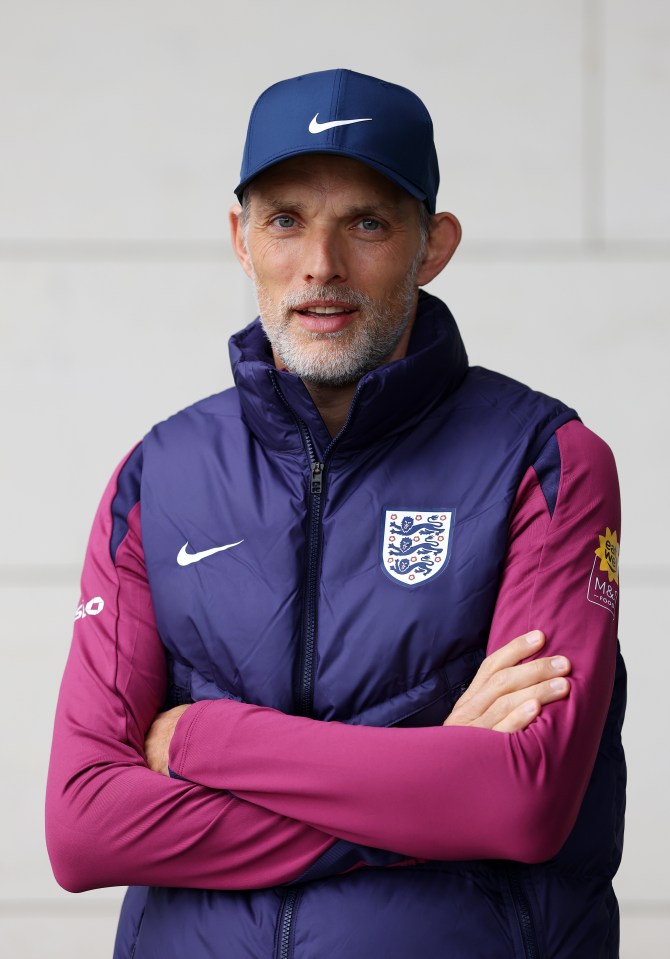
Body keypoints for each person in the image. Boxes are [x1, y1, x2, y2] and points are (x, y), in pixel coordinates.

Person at [46, 69, 626, 959]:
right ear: (241, 239)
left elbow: (520, 802)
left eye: (366, 222)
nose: (320, 265)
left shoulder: (545, 462)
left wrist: (207, 737)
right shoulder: (157, 477)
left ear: (432, 245)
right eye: (285, 220)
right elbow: (84, 828)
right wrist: (430, 787)